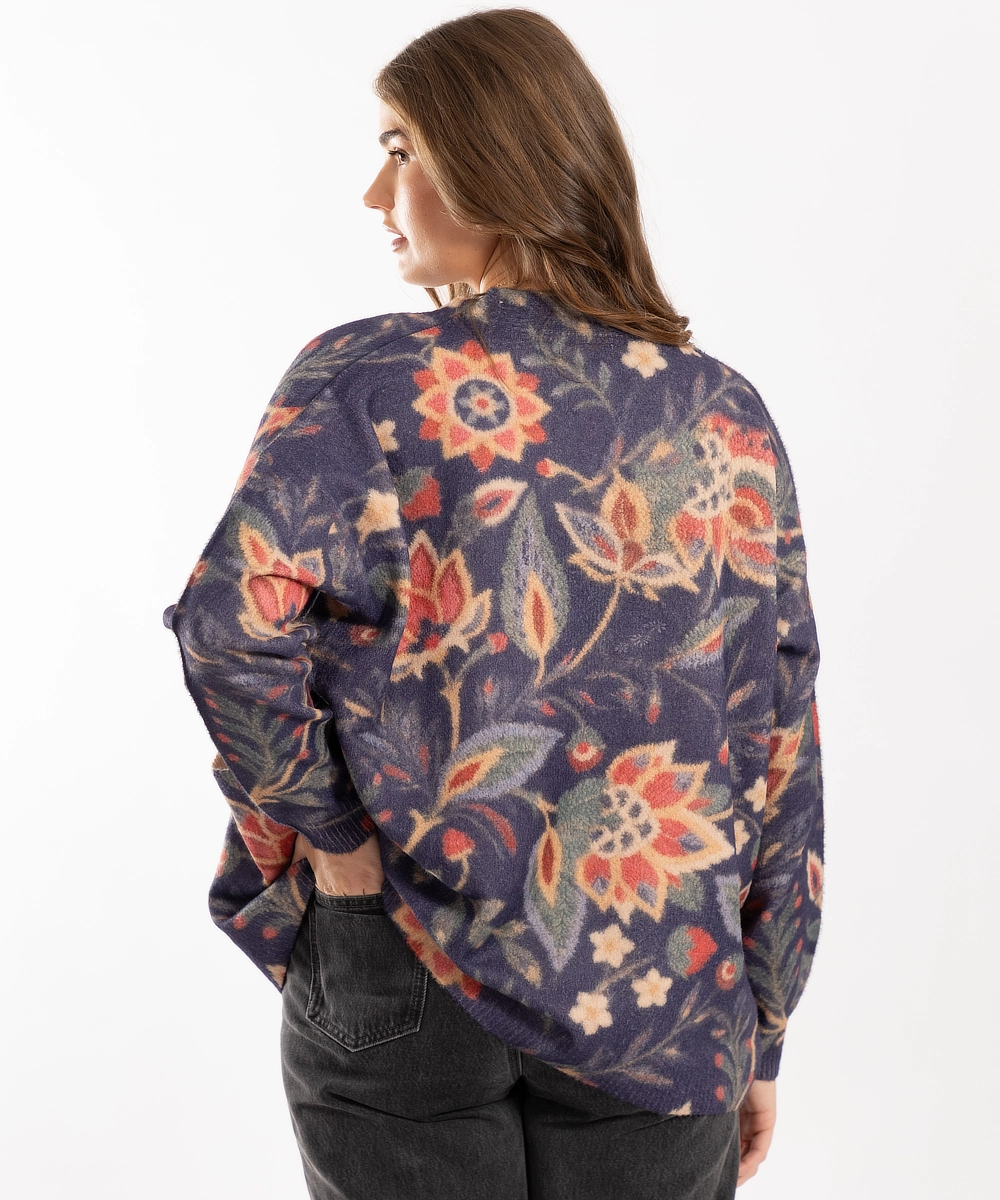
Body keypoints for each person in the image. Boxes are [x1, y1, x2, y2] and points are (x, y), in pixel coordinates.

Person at [164, 9, 823, 1199]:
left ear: (493, 159)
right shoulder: (721, 414)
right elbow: (778, 732)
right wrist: (764, 1017)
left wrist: (338, 847)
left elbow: (229, 625)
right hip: (662, 977)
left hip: (404, 947)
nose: (376, 193)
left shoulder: (367, 377)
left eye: (401, 149)